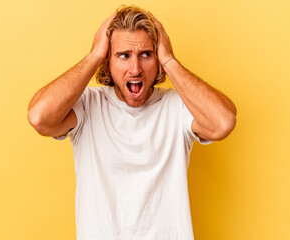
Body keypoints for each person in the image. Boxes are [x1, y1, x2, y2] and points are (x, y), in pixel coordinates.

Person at [28, 5, 237, 240]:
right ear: (108, 62)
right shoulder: (87, 106)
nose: (135, 69)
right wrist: (95, 55)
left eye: (146, 54)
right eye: (124, 55)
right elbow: (39, 117)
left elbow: (223, 122)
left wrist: (168, 59)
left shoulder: (177, 107)